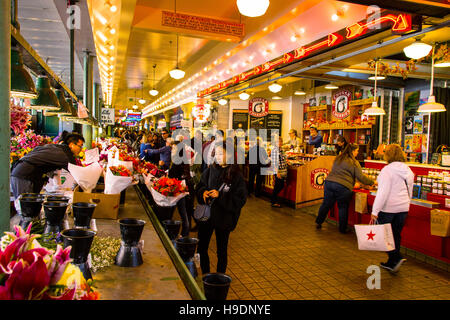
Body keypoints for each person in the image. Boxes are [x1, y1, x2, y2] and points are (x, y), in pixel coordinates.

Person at [196, 142, 247, 274]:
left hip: (224, 219)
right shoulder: (210, 170)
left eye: (220, 153)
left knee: (222, 251)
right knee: (202, 248)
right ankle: (205, 274)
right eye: (215, 153)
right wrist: (203, 192)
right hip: (207, 216)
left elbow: (240, 199)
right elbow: (200, 185)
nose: (217, 156)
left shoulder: (236, 175)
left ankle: (219, 278)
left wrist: (221, 196)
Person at [370, 144, 414, 273]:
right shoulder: (408, 170)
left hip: (388, 208)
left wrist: (375, 211)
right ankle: (392, 262)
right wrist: (407, 204)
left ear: (388, 155)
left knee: (385, 236)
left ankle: (396, 257)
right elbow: (409, 190)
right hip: (403, 207)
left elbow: (382, 192)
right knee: (396, 234)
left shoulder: (387, 170)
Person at [315, 144, 374, 233]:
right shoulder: (354, 162)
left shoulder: (338, 158)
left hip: (329, 182)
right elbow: (361, 177)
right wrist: (372, 182)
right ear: (353, 151)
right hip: (343, 186)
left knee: (326, 204)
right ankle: (342, 229)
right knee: (342, 207)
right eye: (357, 151)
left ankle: (318, 222)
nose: (357, 153)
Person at [11, 133, 85, 200]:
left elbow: (49, 166)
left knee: (30, 205)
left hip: (21, 172)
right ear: (72, 144)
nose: (81, 149)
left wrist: (57, 186)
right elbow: (77, 173)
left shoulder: (58, 148)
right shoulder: (65, 155)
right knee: (27, 206)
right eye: (80, 146)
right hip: (25, 175)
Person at [169, 141, 196, 236]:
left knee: (184, 213)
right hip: (187, 188)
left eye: (174, 148)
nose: (172, 150)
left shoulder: (177, 161)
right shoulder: (183, 159)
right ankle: (186, 233)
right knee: (187, 213)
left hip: (181, 190)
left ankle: (184, 234)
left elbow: (173, 176)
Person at [270, 136, 288, 208]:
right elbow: (274, 162)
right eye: (278, 141)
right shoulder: (274, 150)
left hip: (283, 170)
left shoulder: (281, 150)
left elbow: (282, 159)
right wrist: (277, 172)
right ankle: (273, 201)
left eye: (281, 141)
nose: (280, 143)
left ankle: (273, 200)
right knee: (279, 186)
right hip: (278, 171)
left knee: (280, 185)